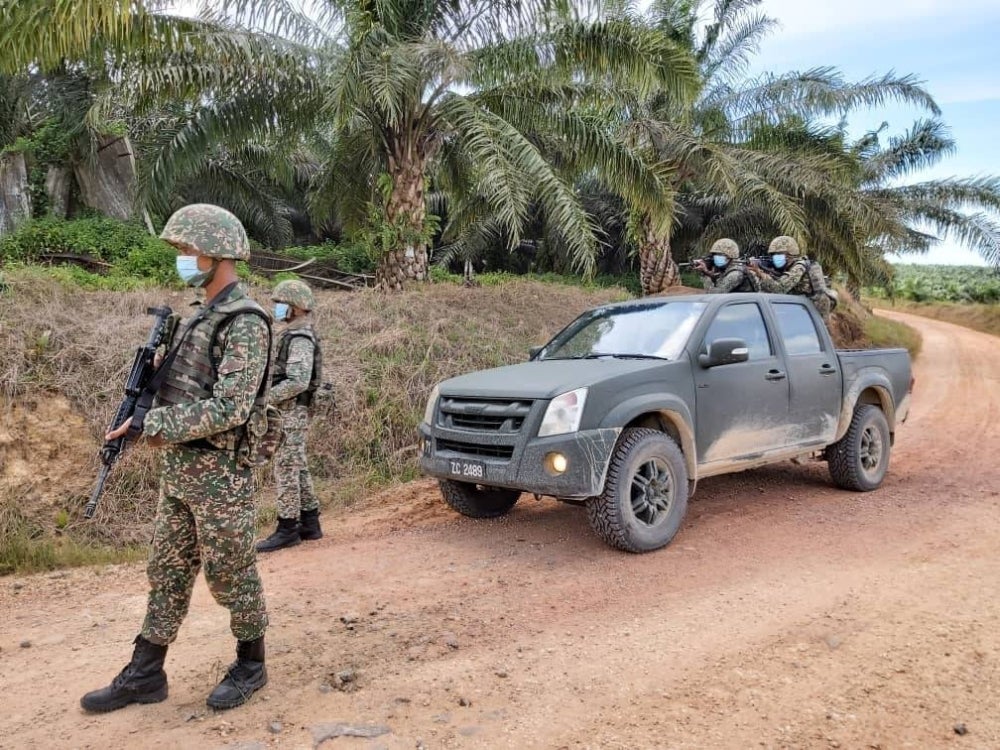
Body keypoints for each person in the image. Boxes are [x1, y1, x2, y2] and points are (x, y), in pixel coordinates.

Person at [80, 204, 272, 713]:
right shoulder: (199, 316)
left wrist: (153, 424)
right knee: (166, 569)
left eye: (188, 251)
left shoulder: (246, 321)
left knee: (230, 569)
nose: (183, 260)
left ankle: (252, 662)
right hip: (182, 469)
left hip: (221, 472)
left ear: (214, 253)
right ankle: (145, 673)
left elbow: (233, 406)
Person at [256, 278, 323, 552]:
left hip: (291, 412)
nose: (277, 308)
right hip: (290, 411)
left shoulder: (300, 338)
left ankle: (287, 528)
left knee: (285, 466)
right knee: (298, 465)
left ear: (294, 307)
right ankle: (310, 522)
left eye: (281, 304)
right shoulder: (293, 335)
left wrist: (262, 401)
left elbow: (298, 381)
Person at [751, 236, 835, 323]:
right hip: (801, 311)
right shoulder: (787, 268)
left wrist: (760, 273)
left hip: (813, 315)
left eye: (779, 254)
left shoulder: (799, 267)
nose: (775, 257)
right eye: (773, 255)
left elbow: (779, 288)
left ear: (790, 255)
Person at [693, 238, 758, 293]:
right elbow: (718, 280)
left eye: (720, 255)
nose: (716, 257)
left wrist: (705, 274)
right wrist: (707, 272)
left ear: (730, 256)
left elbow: (715, 294)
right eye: (715, 254)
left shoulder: (736, 274)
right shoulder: (726, 269)